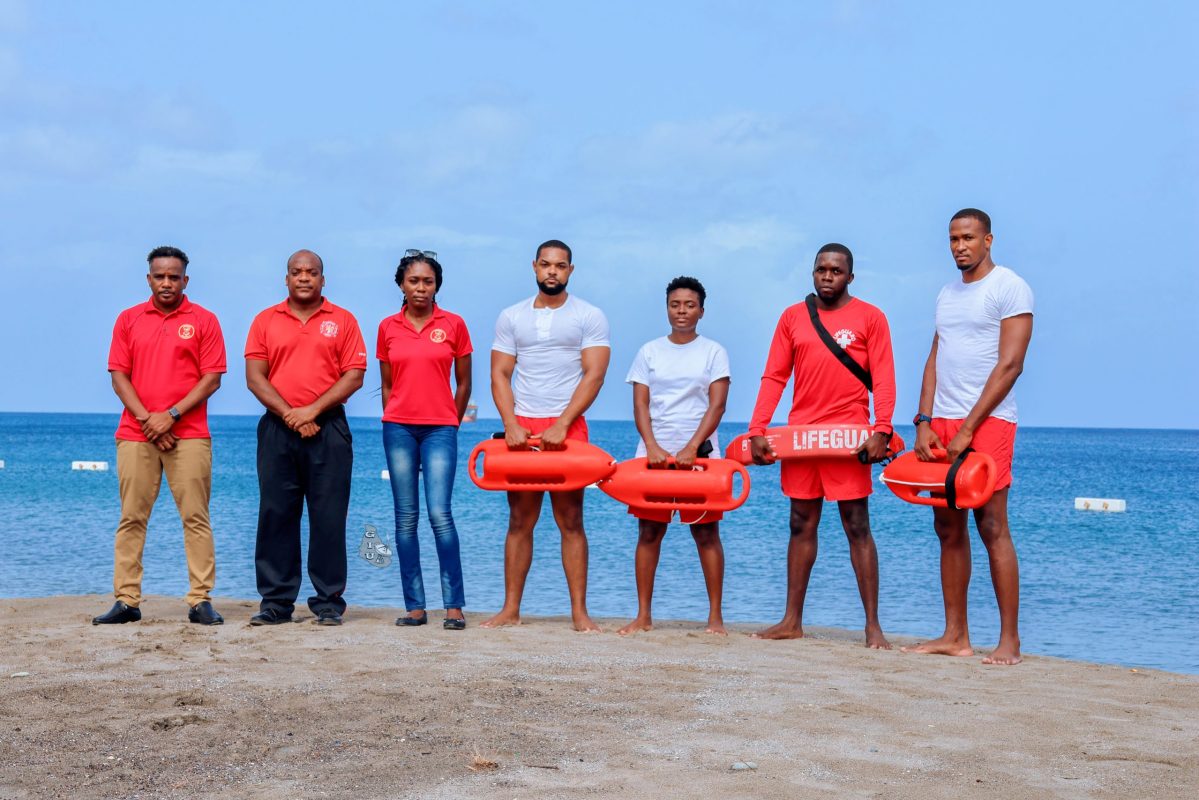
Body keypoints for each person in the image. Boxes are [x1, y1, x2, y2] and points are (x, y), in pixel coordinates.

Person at [748, 243, 896, 648]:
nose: (827, 276)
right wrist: (757, 427)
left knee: (856, 525)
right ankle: (791, 620)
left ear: (850, 276)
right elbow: (774, 376)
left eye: (835, 270)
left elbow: (883, 377)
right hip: (801, 436)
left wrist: (881, 428)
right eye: (820, 270)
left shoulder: (871, 317)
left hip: (848, 437)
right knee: (800, 523)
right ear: (812, 273)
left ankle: (873, 627)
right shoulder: (793, 317)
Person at [903, 208, 1033, 666]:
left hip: (990, 422)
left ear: (988, 240)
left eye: (968, 238)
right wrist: (922, 419)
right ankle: (955, 634)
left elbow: (1010, 365)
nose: (960, 246)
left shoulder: (1009, 287)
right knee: (946, 527)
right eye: (954, 238)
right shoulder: (945, 294)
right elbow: (935, 358)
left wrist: (969, 428)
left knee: (992, 525)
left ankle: (1009, 642)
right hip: (941, 421)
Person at [481, 239, 610, 632]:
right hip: (522, 425)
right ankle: (510, 609)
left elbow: (595, 374)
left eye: (560, 266)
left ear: (570, 270)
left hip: (568, 426)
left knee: (571, 520)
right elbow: (500, 374)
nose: (552, 271)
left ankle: (579, 612)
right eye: (545, 264)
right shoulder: (511, 316)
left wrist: (563, 423)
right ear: (534, 267)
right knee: (520, 520)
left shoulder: (589, 315)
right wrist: (511, 423)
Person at [93, 246, 226, 626]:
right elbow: (119, 376)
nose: (166, 283)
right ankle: (126, 600)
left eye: (174, 277)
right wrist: (148, 421)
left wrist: (170, 416)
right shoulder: (128, 319)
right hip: (136, 434)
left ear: (185, 280)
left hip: (190, 434)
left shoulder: (204, 320)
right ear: (148, 278)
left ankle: (200, 600)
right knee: (132, 517)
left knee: (195, 518)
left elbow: (212, 378)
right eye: (159, 276)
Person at [244, 249, 366, 627]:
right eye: (296, 272)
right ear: (286, 279)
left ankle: (328, 602)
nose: (304, 278)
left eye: (311, 272)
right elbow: (255, 377)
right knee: (276, 515)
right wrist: (291, 415)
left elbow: (354, 374)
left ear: (323, 279)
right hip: (278, 429)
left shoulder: (343, 320)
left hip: (327, 428)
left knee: (328, 518)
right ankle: (276, 603)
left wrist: (311, 412)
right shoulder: (265, 320)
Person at [617, 276, 730, 637]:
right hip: (653, 455)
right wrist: (651, 445)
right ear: (667, 307)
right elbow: (640, 403)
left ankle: (715, 619)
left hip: (701, 458)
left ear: (702, 309)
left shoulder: (714, 351)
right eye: (675, 304)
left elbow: (717, 405)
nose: (682, 311)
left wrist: (692, 446)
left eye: (689, 305)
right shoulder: (649, 351)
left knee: (706, 533)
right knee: (649, 532)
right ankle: (643, 616)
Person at [377, 249, 473, 631]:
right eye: (414, 280)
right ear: (401, 284)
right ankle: (415, 607)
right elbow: (387, 384)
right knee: (405, 519)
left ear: (437, 286)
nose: (421, 287)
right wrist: (395, 414)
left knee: (439, 514)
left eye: (427, 281)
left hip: (440, 429)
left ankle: (454, 606)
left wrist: (451, 419)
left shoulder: (454, 325)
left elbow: (463, 381)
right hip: (398, 428)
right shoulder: (387, 327)